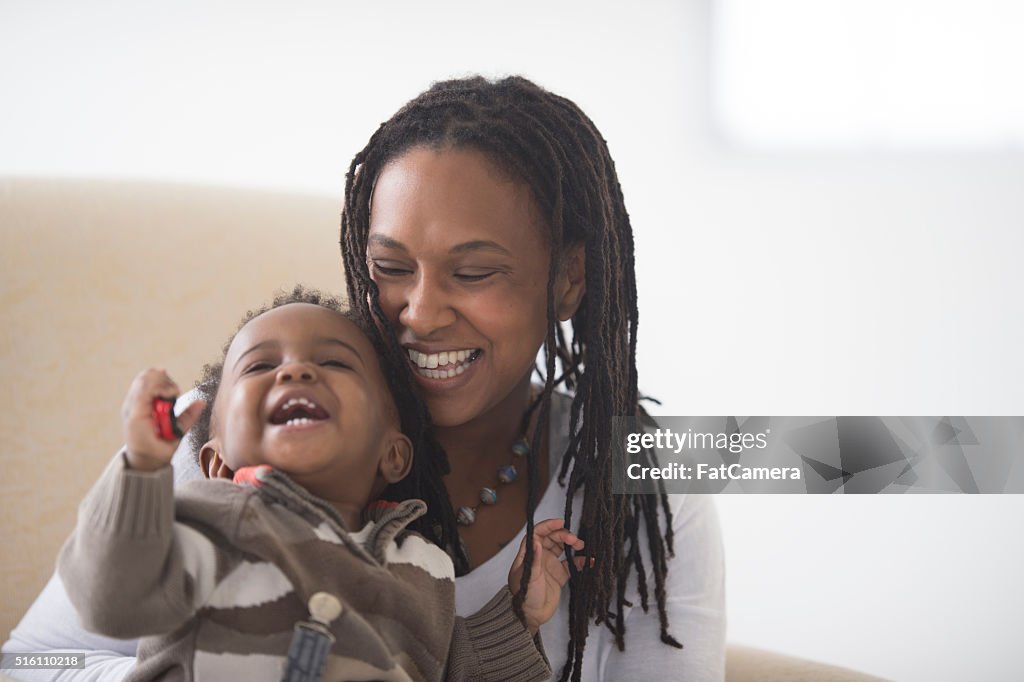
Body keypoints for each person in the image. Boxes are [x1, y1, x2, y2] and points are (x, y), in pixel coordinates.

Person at [4, 76, 725, 682]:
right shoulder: (232, 437)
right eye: (390, 268)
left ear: (568, 279)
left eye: (473, 273)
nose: (422, 311)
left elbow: (830, 455)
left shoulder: (650, 474)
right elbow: (31, 663)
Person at [56, 288, 582, 682]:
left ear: (393, 453)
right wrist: (142, 472)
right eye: (261, 365)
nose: (296, 371)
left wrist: (519, 616)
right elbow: (111, 601)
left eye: (334, 362)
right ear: (215, 463)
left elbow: (459, 670)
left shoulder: (422, 568)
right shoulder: (212, 519)